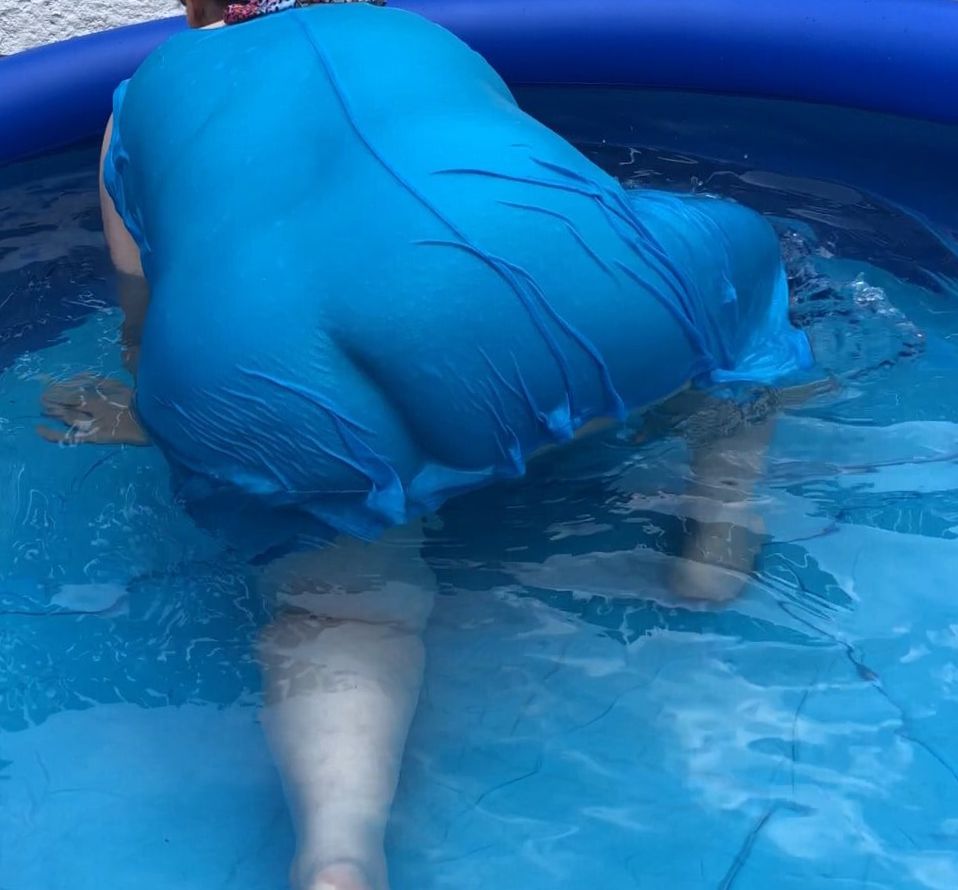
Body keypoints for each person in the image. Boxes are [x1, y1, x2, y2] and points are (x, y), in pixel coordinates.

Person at [39, 1, 813, 887]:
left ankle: (338, 851)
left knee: (339, 609)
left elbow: (140, 322)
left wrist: (147, 409)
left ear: (195, 8)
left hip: (256, 356)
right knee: (738, 266)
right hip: (524, 282)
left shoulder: (140, 99)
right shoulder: (417, 33)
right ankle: (721, 523)